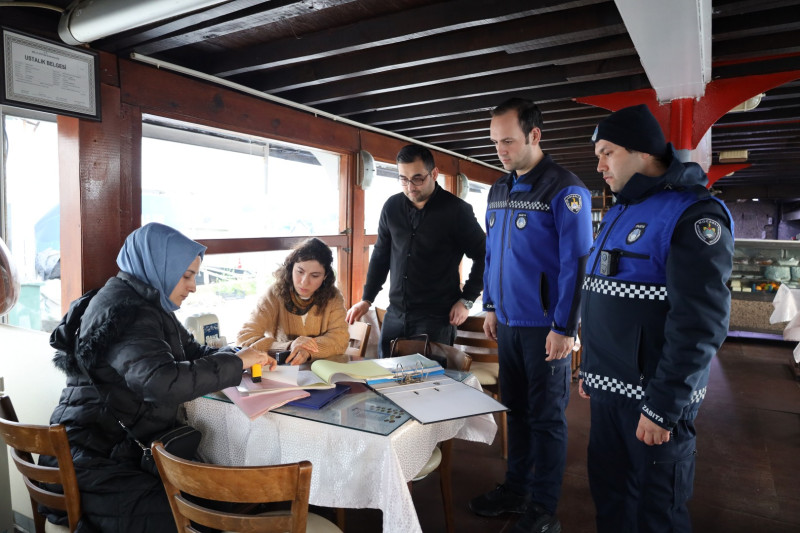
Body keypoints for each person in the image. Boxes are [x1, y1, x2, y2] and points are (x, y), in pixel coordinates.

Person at [45, 223, 272, 532]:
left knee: (218, 504)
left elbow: (192, 351)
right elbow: (160, 383)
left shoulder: (144, 302)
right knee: (201, 517)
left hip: (108, 449)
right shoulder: (128, 312)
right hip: (93, 461)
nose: (193, 287)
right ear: (157, 266)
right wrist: (235, 363)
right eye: (187, 276)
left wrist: (240, 354)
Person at [578, 104, 733, 532]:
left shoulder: (693, 214)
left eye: (607, 153)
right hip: (609, 393)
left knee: (656, 511)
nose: (600, 165)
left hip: (653, 401)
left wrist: (663, 406)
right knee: (611, 500)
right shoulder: (620, 210)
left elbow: (700, 324)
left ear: (643, 151)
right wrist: (592, 369)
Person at [469, 98, 593, 533]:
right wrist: (489, 305)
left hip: (546, 328)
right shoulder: (498, 189)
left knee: (547, 419)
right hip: (507, 323)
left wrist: (565, 328)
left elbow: (577, 263)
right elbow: (491, 254)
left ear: (534, 135)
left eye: (508, 141)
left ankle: (543, 509)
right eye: (494, 142)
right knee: (516, 411)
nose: (499, 150)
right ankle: (516, 490)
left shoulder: (565, 189)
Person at [345, 144, 486, 357]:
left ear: (434, 174)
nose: (410, 186)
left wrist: (467, 300)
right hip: (395, 316)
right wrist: (367, 298)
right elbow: (381, 256)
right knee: (385, 376)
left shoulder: (457, 211)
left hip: (436, 319)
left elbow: (485, 255)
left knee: (431, 379)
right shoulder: (391, 207)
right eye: (403, 179)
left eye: (417, 178)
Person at [237, 237, 349, 363]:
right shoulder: (274, 294)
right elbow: (244, 338)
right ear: (291, 268)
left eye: (315, 275)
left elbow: (340, 340)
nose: (304, 282)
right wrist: (289, 346)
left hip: (321, 370)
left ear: (325, 276)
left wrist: (307, 350)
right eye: (300, 272)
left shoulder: (333, 297)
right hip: (281, 369)